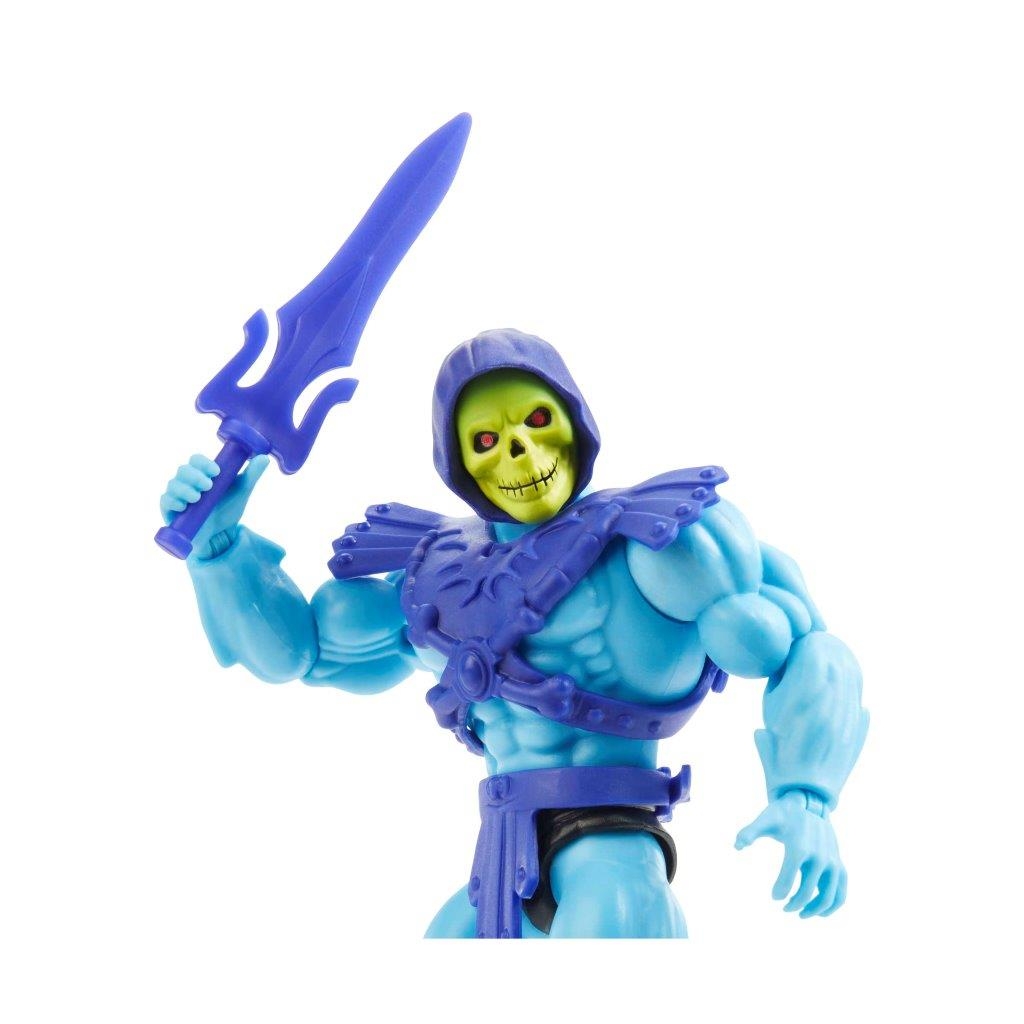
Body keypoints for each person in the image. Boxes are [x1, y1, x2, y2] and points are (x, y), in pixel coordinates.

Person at [160, 328, 868, 938]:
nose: (521, 452)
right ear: (460, 465)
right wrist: (219, 552)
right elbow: (304, 652)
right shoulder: (434, 576)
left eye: (536, 419)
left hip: (613, 849)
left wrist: (805, 795)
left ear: (576, 421)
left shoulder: (658, 544)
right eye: (488, 440)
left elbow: (805, 646)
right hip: (499, 860)